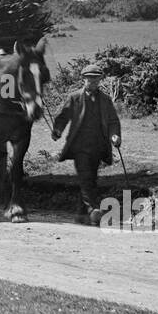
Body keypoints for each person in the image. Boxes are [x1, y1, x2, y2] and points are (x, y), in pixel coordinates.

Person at [51, 64, 121, 222]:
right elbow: (63, 116)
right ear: (84, 79)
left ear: (100, 80)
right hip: (79, 147)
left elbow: (113, 121)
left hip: (98, 146)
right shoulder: (75, 97)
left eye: (96, 79)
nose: (93, 82)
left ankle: (80, 215)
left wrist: (115, 136)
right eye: (90, 79)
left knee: (92, 178)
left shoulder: (105, 100)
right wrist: (57, 131)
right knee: (85, 177)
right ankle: (93, 210)